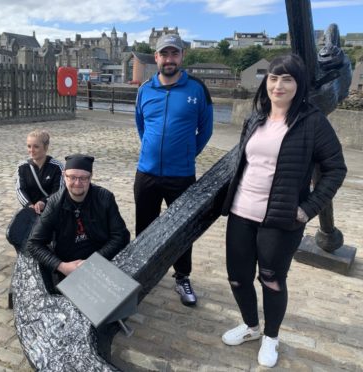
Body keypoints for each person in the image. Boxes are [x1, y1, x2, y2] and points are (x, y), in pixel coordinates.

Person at [220, 54, 347, 368]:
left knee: (272, 280)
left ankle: (271, 337)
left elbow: (336, 169)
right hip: (241, 212)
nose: (278, 85)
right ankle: (251, 327)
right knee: (237, 278)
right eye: (273, 78)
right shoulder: (256, 117)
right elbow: (245, 162)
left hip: (281, 219)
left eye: (287, 79)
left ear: (298, 84)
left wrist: (308, 209)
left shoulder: (313, 121)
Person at [134, 34, 213, 306]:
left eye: (174, 54)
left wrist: (187, 153)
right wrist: (151, 151)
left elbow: (206, 129)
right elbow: (141, 126)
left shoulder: (197, 89)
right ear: (155, 58)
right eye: (163, 54)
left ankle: (182, 277)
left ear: (182, 57)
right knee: (144, 228)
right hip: (147, 173)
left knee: (182, 229)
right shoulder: (145, 90)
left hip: (181, 175)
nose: (169, 59)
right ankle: (141, 274)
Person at [28, 154, 130, 278]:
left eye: (83, 178)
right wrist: (61, 266)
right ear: (64, 176)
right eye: (72, 177)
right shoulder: (55, 203)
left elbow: (120, 236)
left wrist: (94, 262)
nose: (77, 183)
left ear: (91, 177)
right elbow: (34, 243)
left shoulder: (105, 198)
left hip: (102, 260)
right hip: (69, 266)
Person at [15, 129, 64, 215]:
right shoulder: (22, 167)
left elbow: (58, 191)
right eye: (29, 146)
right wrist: (28, 205)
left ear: (45, 147)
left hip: (51, 211)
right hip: (30, 211)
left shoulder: (57, 167)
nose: (31, 150)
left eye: (36, 147)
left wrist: (44, 202)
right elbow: (20, 190)